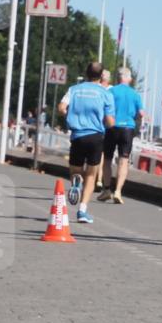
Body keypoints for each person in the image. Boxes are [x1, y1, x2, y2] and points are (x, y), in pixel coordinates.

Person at [57, 62, 115, 224]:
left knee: (76, 169)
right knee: (91, 173)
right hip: (95, 136)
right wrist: (109, 122)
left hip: (77, 135)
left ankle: (76, 182)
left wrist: (70, 115)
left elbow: (61, 108)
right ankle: (82, 210)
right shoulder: (105, 94)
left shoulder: (74, 89)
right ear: (101, 74)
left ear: (86, 73)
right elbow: (110, 121)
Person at [99, 67, 144, 204]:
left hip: (112, 127)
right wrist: (135, 118)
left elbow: (103, 109)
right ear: (129, 78)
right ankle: (118, 191)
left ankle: (106, 189)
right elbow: (141, 113)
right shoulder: (135, 94)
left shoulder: (111, 91)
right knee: (123, 160)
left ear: (118, 78)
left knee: (107, 159)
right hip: (127, 129)